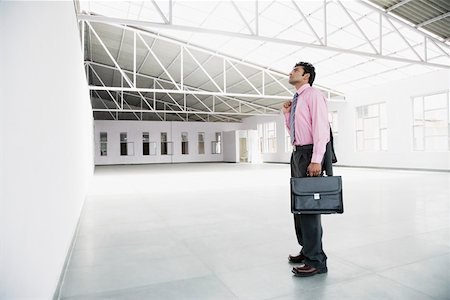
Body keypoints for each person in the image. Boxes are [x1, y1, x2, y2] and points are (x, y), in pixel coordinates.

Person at [281, 61, 332, 277]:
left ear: (306, 76)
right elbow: (294, 129)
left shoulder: (313, 95)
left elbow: (321, 129)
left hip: (310, 154)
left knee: (309, 208)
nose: (290, 72)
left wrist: (316, 159)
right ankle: (307, 249)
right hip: (298, 153)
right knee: (299, 205)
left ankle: (317, 261)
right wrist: (286, 114)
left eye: (295, 70)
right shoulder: (297, 99)